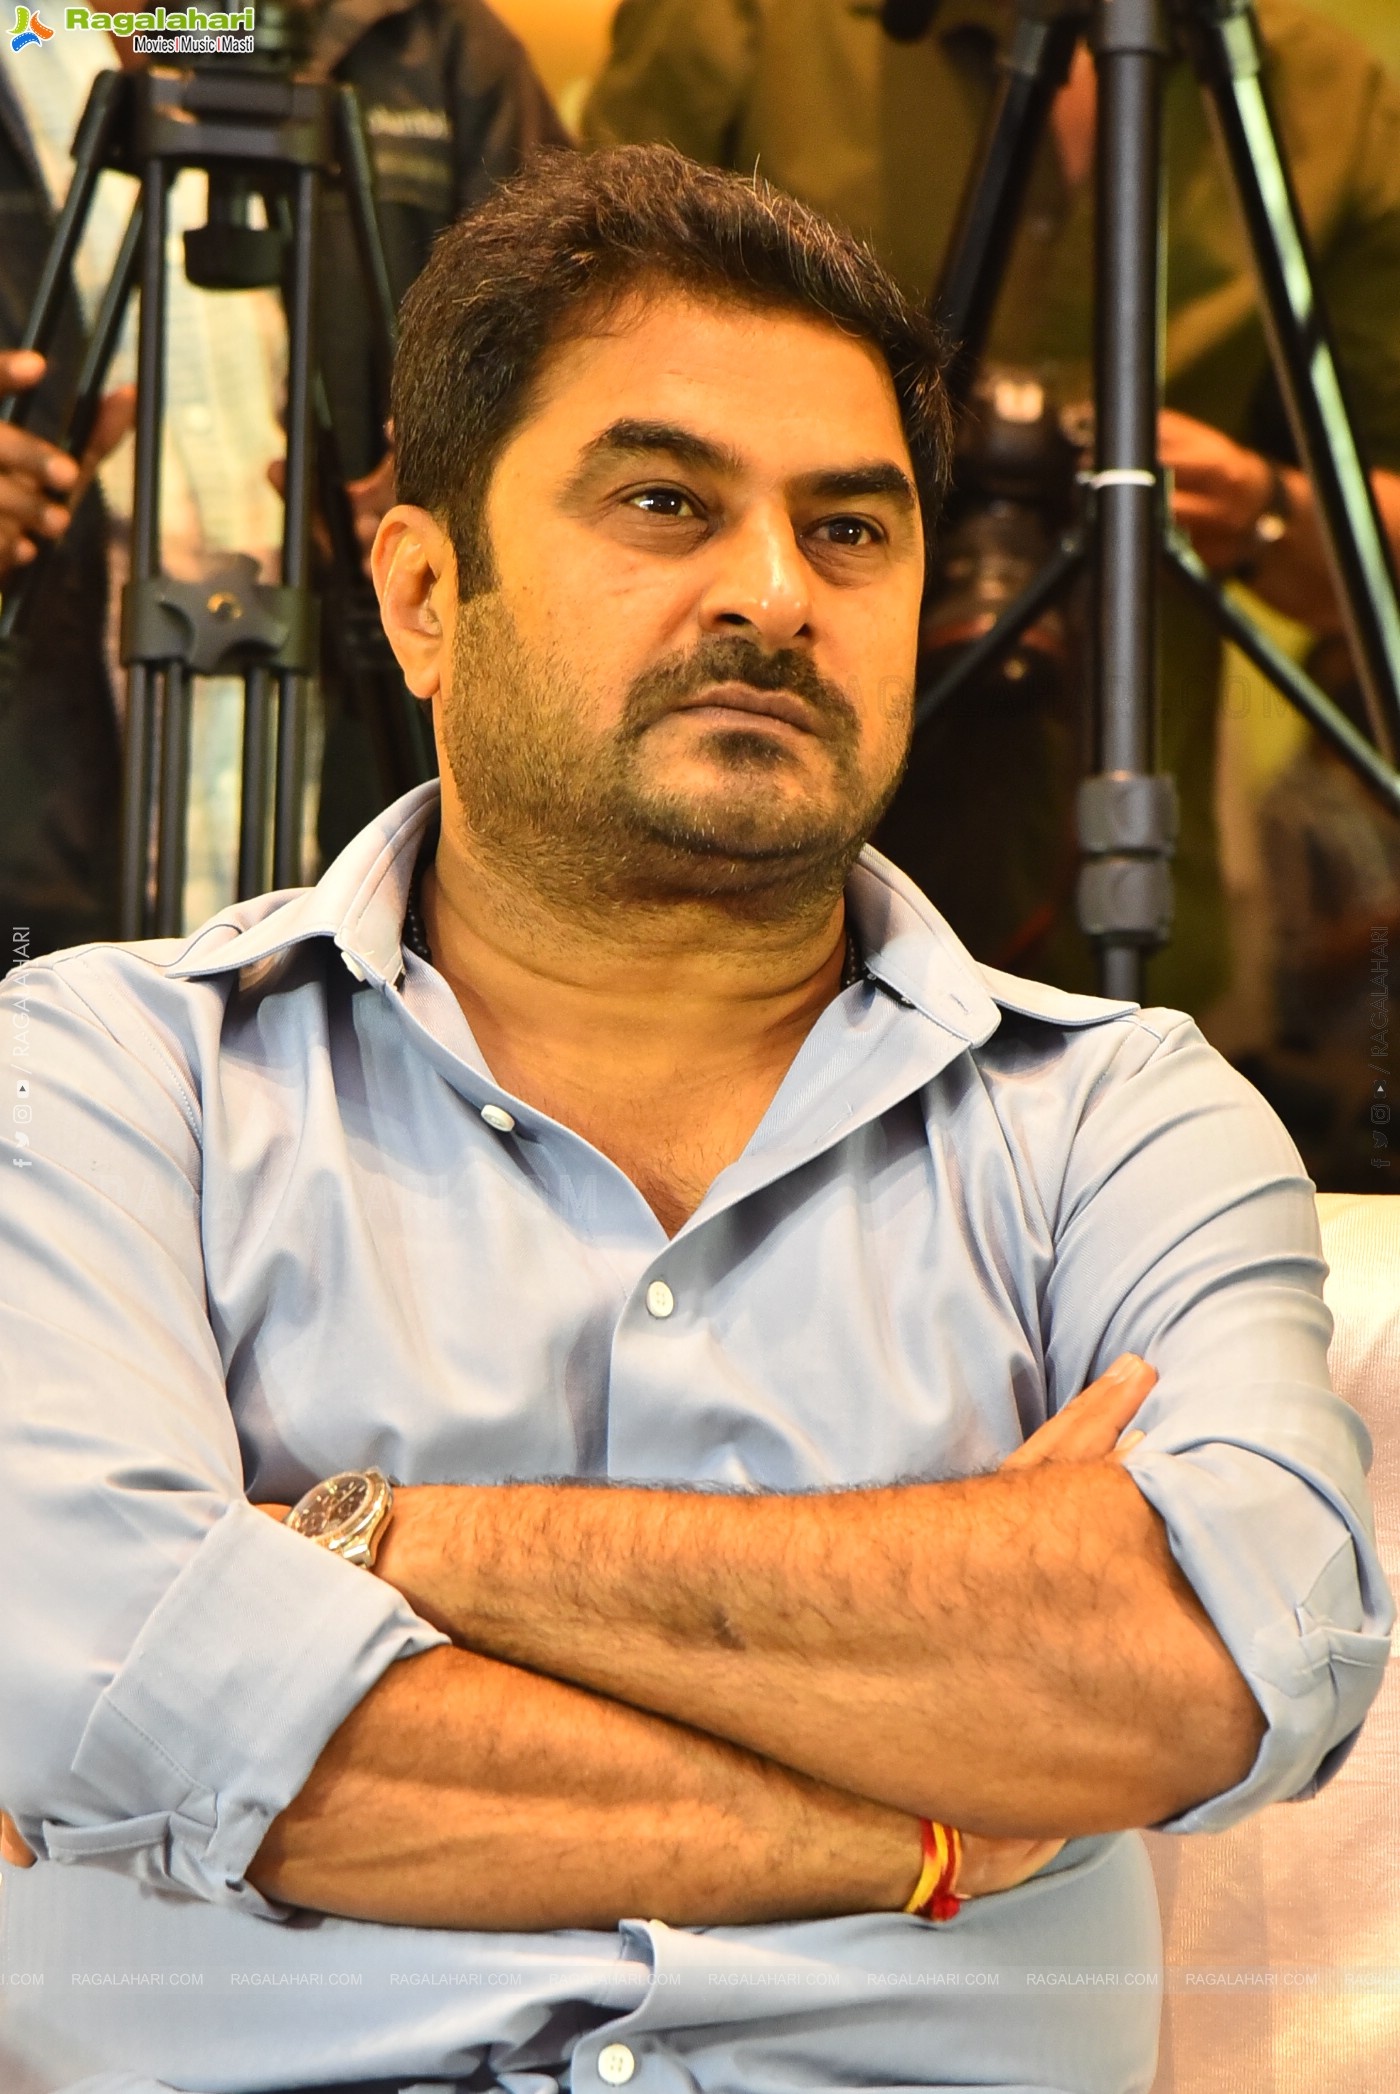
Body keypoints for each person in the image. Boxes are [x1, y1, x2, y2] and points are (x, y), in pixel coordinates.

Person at [0, 146, 1389, 2094]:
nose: (773, 592)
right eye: (664, 501)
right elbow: (109, 1691)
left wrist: (370, 1540)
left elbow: (1224, 1668)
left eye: (851, 529)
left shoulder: (1115, 1118)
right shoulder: (101, 1073)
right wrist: (928, 1825)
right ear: (422, 590)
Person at [582, 0, 1400, 1015]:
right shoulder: (747, 25)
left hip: (1129, 905)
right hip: (735, 904)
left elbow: (1378, 538)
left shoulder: (1320, 98)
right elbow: (562, 399)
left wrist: (1261, 509)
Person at [0, 2, 566, 958]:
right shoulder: (38, 31)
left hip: (373, 854)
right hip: (34, 876)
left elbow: (593, 377)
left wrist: (485, 492)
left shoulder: (427, 46)